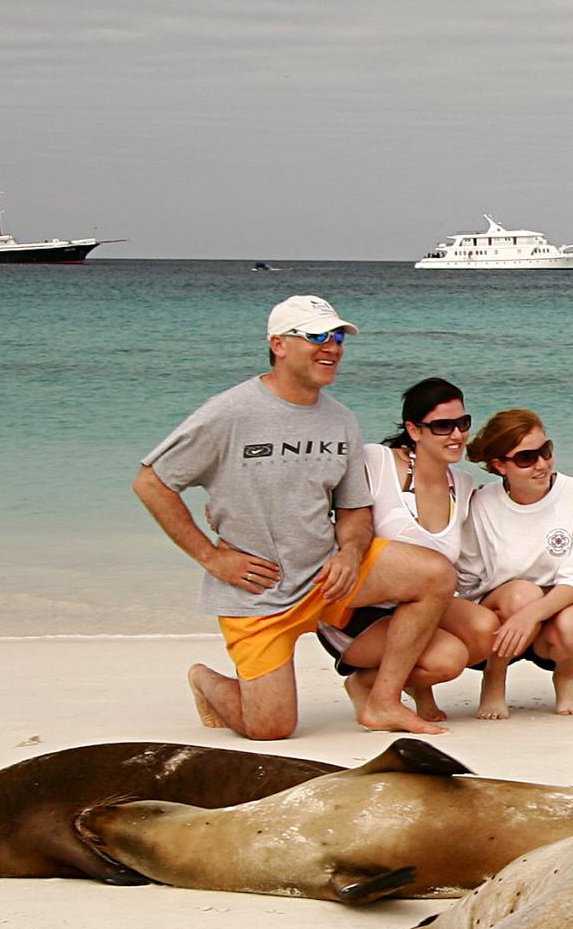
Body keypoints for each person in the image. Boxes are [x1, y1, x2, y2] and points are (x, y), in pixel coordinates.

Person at [131, 295, 459, 740]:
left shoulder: (340, 420)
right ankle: (206, 681)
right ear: (278, 345)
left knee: (434, 574)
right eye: (317, 337)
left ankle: (382, 701)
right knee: (271, 728)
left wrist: (349, 551)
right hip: (258, 591)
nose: (333, 347)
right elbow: (152, 484)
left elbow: (354, 508)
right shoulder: (230, 412)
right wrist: (211, 558)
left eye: (338, 337)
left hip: (326, 575)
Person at [317, 377, 501, 723]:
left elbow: (460, 568)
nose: (458, 435)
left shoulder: (460, 486)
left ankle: (370, 683)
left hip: (418, 610)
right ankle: (379, 698)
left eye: (463, 424)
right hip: (358, 612)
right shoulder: (377, 461)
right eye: (443, 426)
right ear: (414, 430)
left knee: (485, 630)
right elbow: (311, 492)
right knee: (447, 659)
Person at [459, 409, 573, 718]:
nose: (541, 464)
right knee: (520, 593)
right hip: (502, 615)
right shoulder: (481, 503)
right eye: (526, 458)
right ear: (500, 466)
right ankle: (494, 677)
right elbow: (469, 581)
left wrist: (531, 615)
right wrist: (517, 611)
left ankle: (564, 677)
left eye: (545, 451)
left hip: (554, 611)